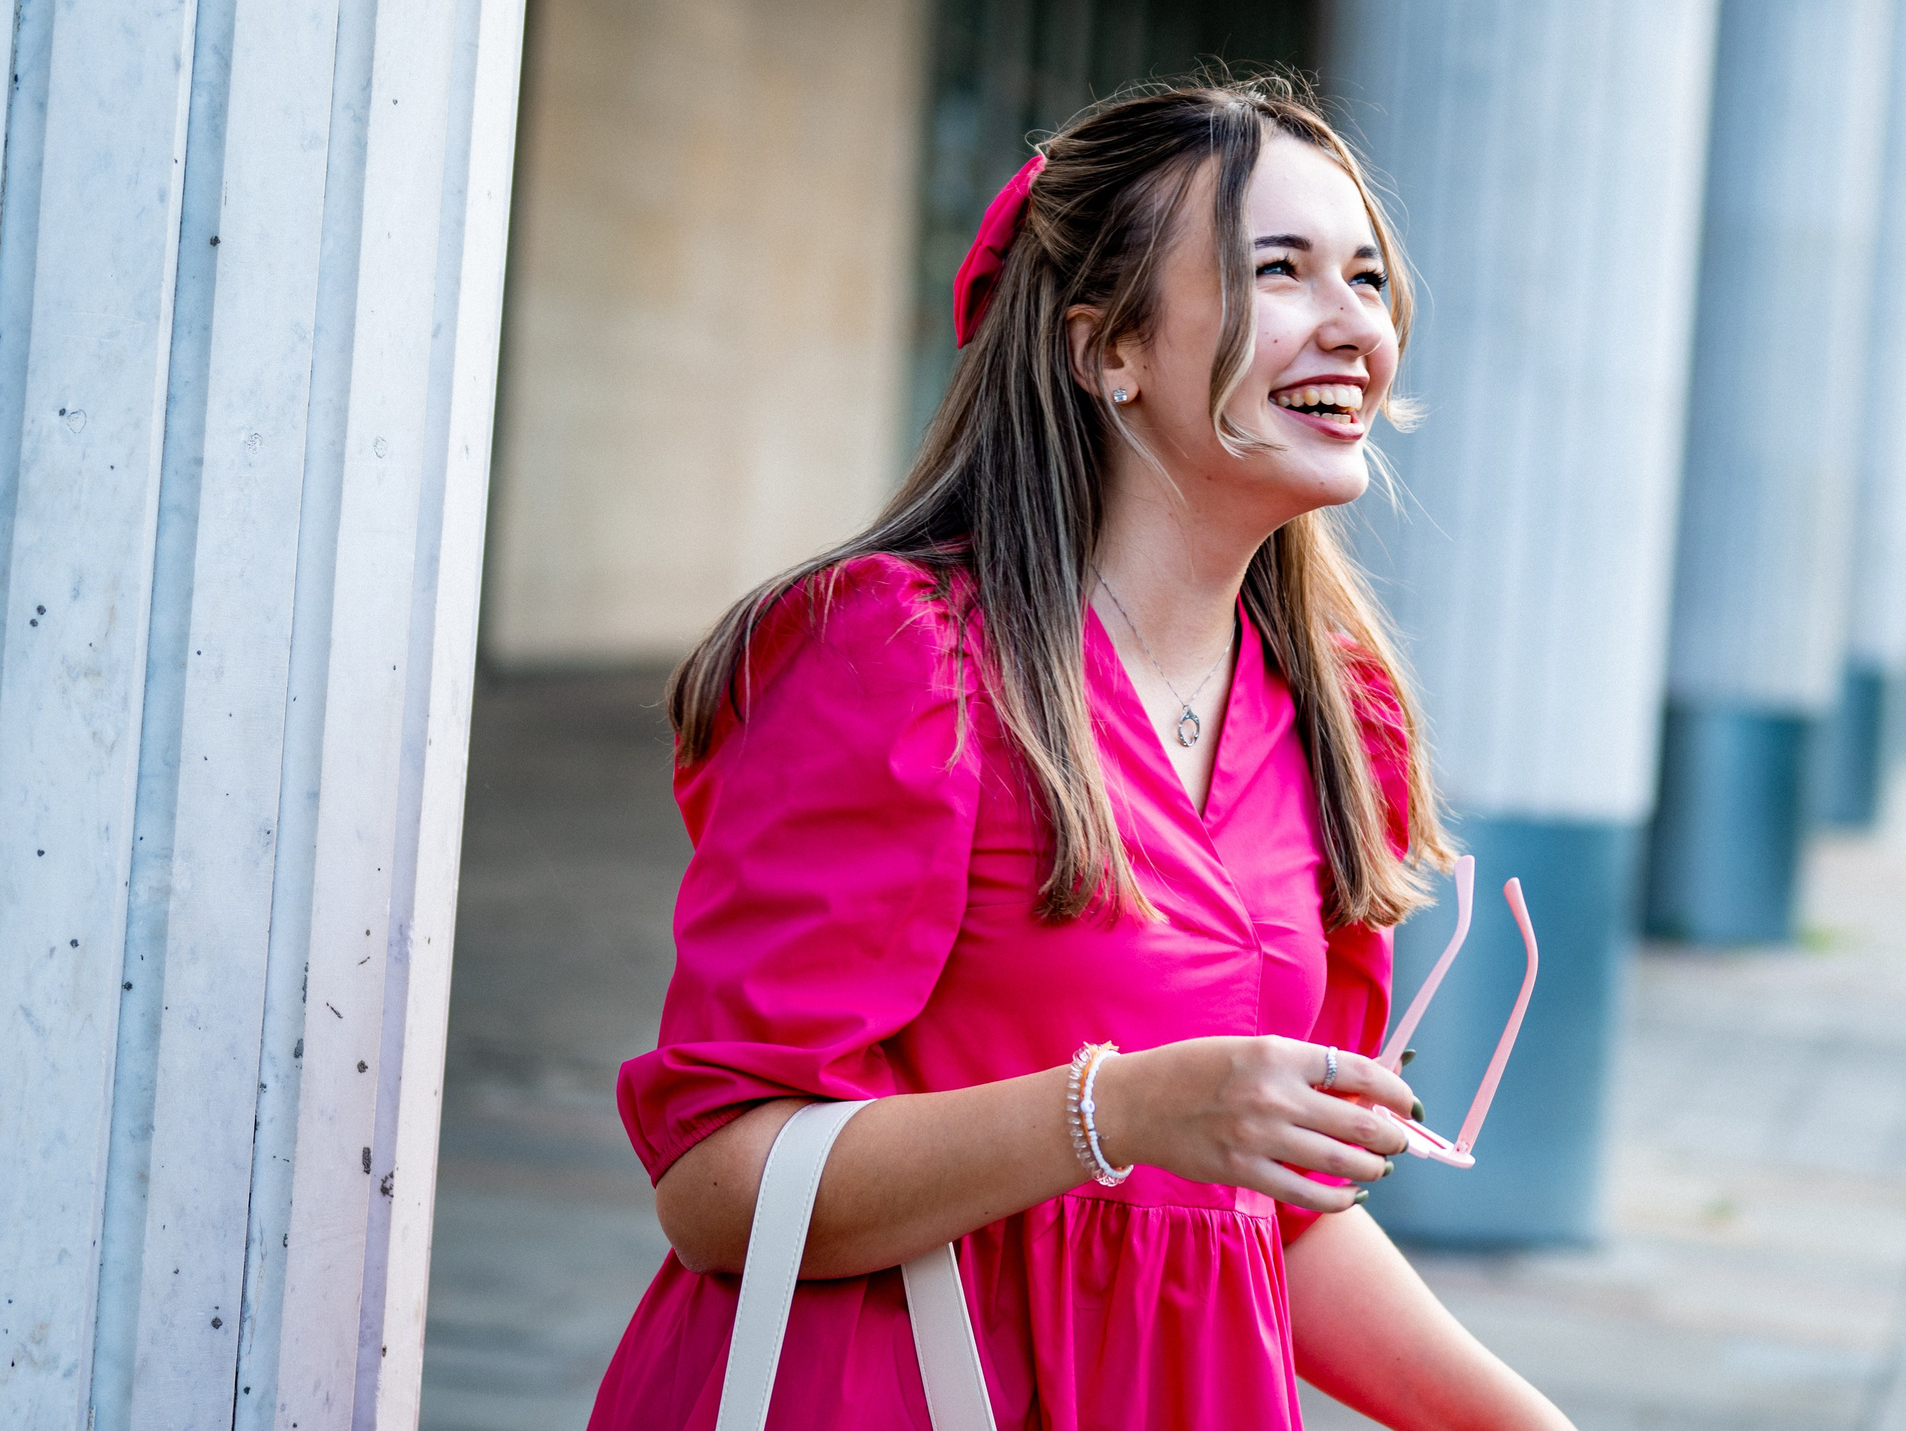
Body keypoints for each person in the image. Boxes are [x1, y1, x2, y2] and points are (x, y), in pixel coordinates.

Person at [587, 77, 1574, 1430]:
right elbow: (716, 1188)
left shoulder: (1343, 716)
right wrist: (1114, 1113)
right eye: (1278, 271)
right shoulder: (902, 658)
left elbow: (1270, 1218)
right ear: (1107, 348)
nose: (1357, 326)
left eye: (1365, 277)